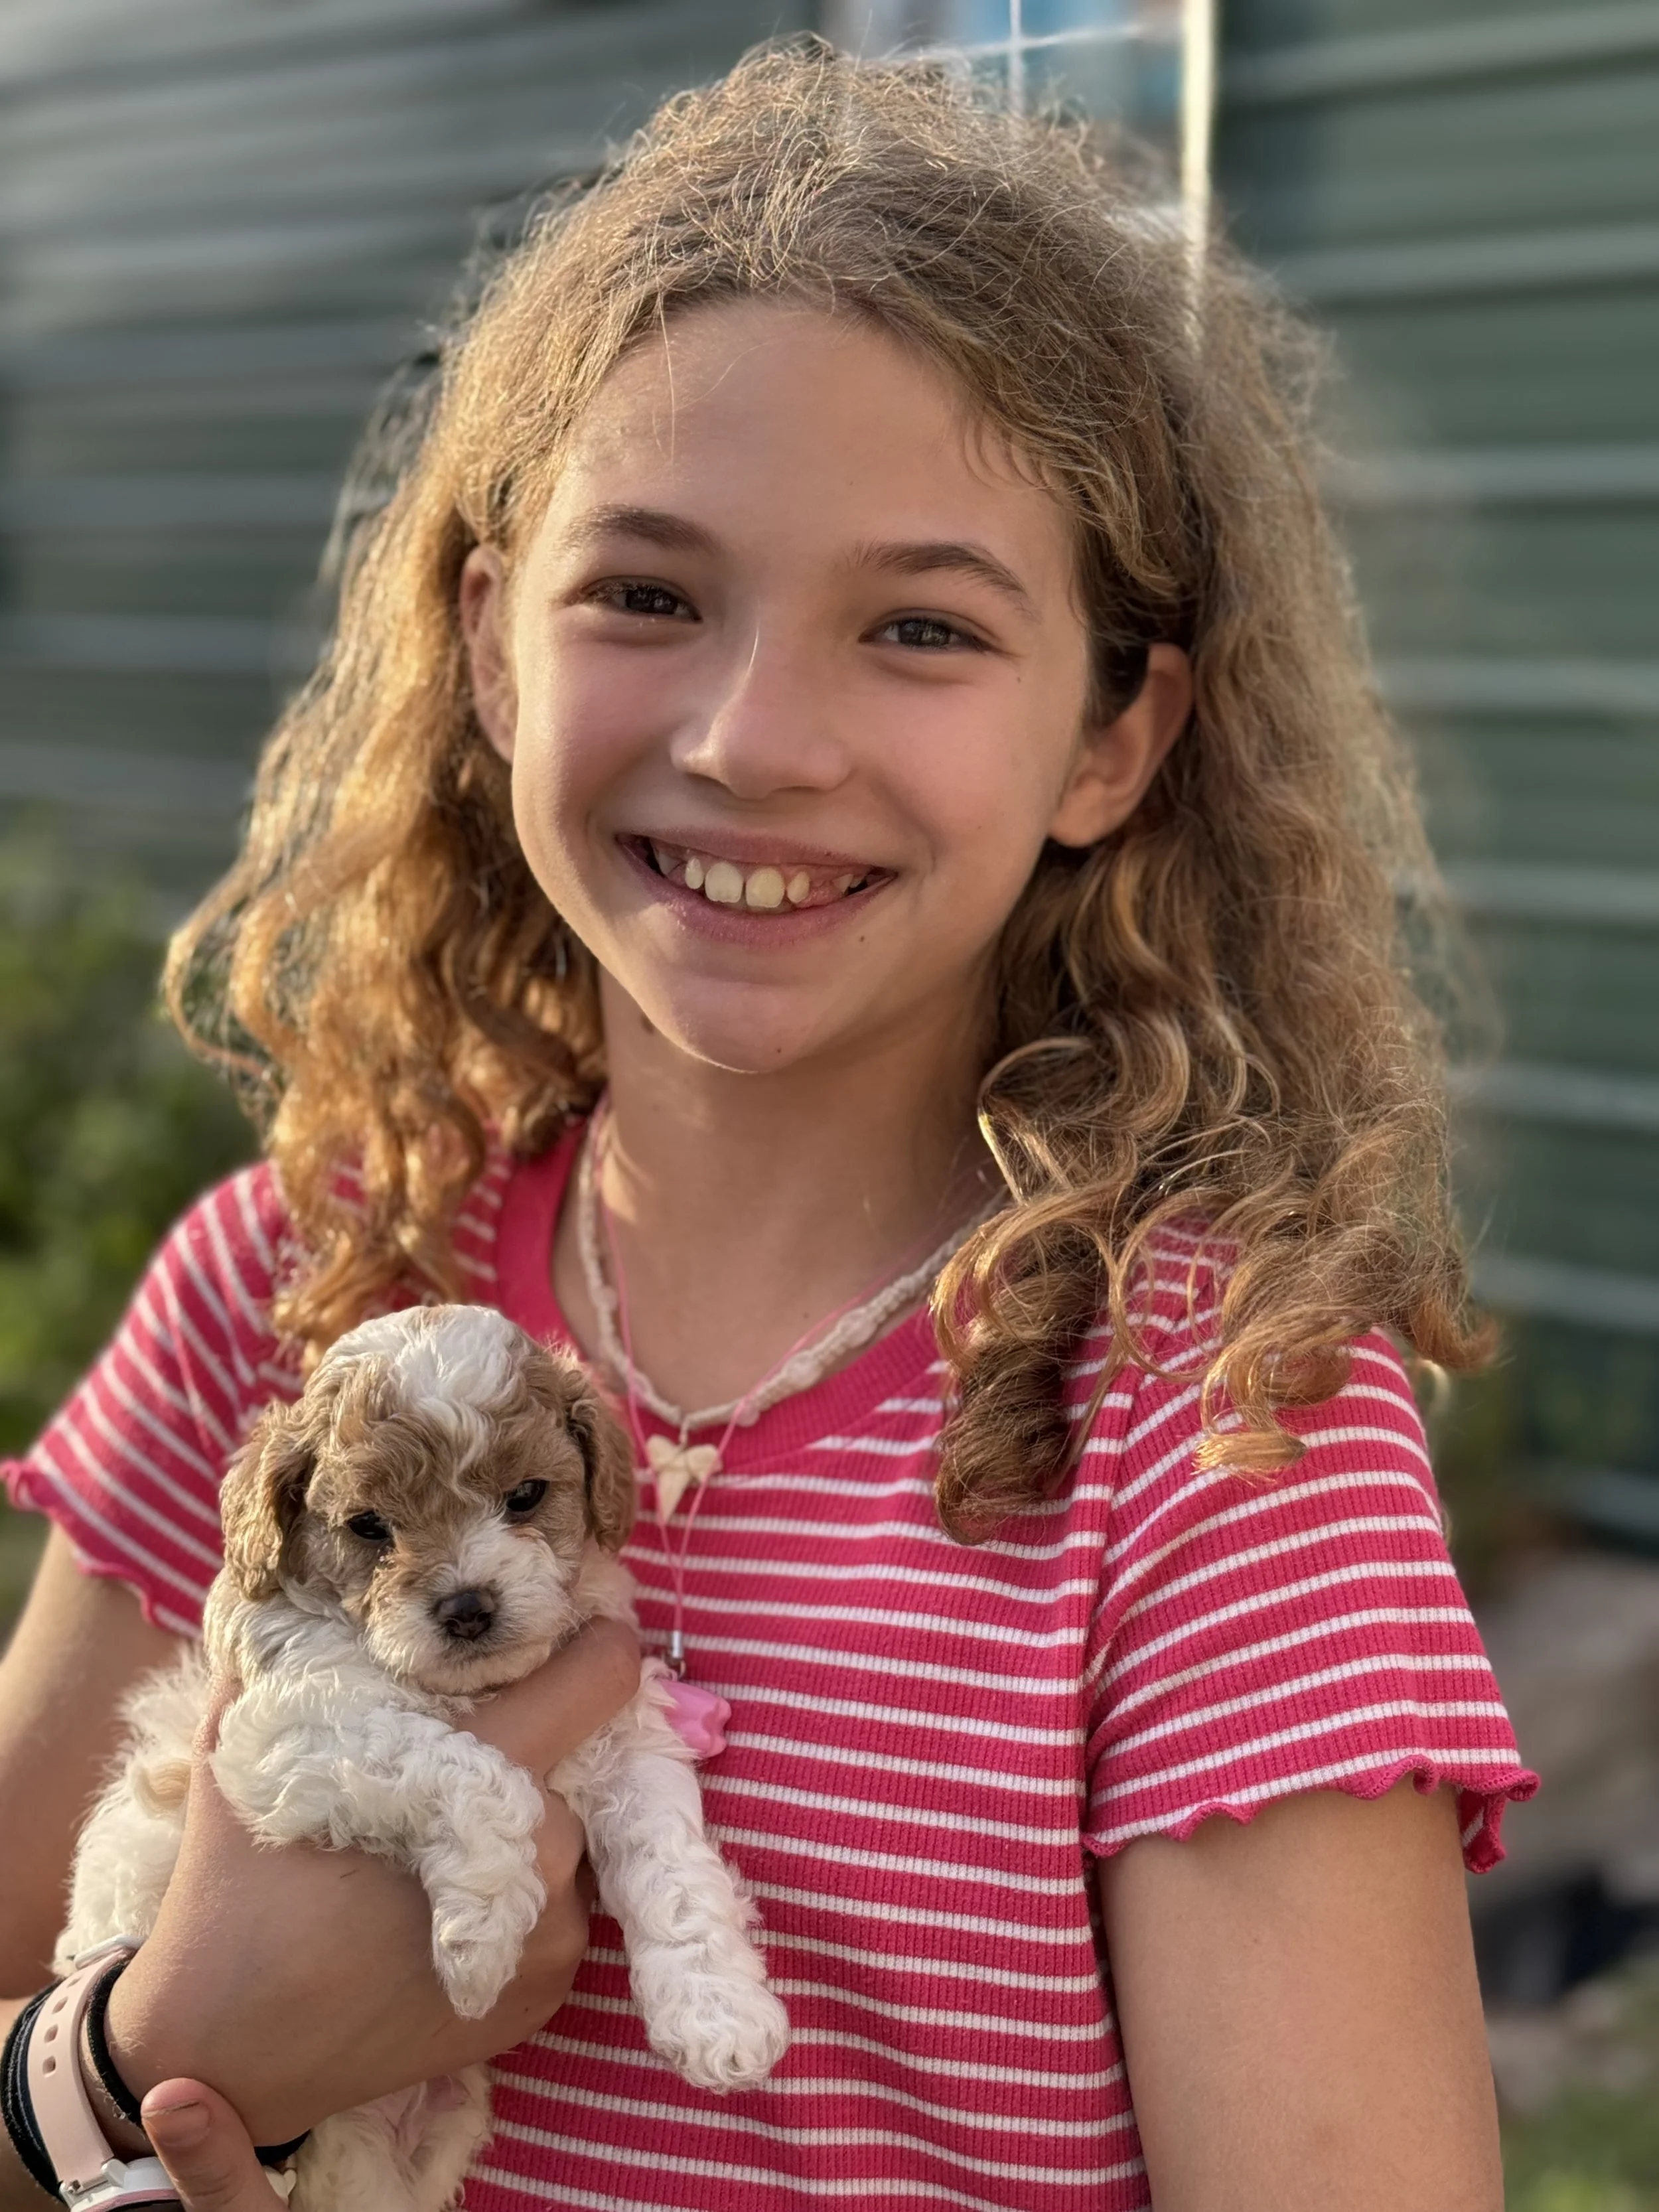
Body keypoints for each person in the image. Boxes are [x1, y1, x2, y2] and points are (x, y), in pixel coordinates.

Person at [0, 42, 1534, 2212]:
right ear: (491, 647)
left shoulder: (1216, 1428)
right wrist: (147, 2059)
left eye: (918, 626)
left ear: (1113, 734)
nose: (751, 737)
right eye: (644, 591)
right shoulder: (291, 1276)